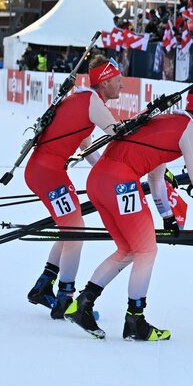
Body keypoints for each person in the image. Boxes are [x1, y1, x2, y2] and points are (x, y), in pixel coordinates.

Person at [65, 83, 193, 341]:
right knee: (146, 250)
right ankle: (135, 321)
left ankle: (82, 305)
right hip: (119, 183)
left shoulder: (172, 122)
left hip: (99, 180)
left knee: (129, 250)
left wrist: (167, 216)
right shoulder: (189, 132)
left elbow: (157, 178)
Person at [23, 55, 122, 318]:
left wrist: (106, 172)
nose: (121, 86)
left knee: (70, 229)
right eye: (118, 81)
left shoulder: (83, 99)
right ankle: (65, 299)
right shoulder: (92, 102)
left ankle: (45, 284)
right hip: (49, 174)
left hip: (45, 172)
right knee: (75, 231)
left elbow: (87, 146)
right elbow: (119, 135)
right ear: (106, 81)